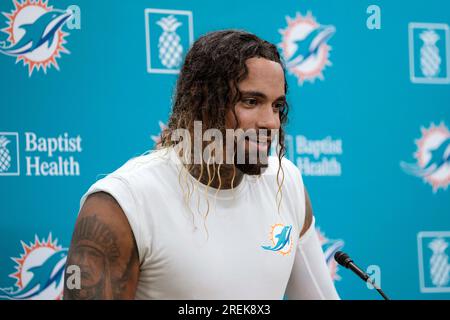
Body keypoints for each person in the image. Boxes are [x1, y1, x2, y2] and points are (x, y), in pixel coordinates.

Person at [63, 30, 340, 300]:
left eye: (277, 106)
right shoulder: (124, 202)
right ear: (202, 103)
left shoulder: (286, 181)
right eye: (251, 101)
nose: (270, 122)